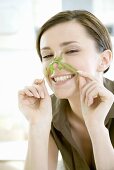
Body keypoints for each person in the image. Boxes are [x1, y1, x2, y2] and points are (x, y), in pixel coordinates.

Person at [18, 10, 114, 170]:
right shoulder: (47, 111)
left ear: (103, 60)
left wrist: (96, 126)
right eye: (47, 55)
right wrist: (37, 125)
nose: (55, 64)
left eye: (71, 51)